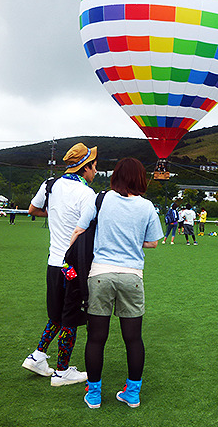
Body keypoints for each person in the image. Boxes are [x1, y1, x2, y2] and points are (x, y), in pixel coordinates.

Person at [70, 158, 162, 409]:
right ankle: (132, 393)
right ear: (141, 178)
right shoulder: (147, 207)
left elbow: (79, 230)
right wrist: (131, 240)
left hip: (100, 274)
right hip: (132, 276)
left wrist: (66, 259)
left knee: (96, 338)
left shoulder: (101, 199)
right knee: (133, 338)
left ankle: (94, 394)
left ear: (116, 176)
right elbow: (153, 242)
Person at [21, 142, 97, 386]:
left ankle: (38, 356)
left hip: (54, 262)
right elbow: (89, 227)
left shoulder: (50, 184)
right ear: (85, 168)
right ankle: (62, 371)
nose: (95, 172)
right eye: (94, 167)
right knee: (70, 318)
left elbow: (33, 209)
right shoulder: (87, 194)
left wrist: (54, 215)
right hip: (73, 264)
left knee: (56, 315)